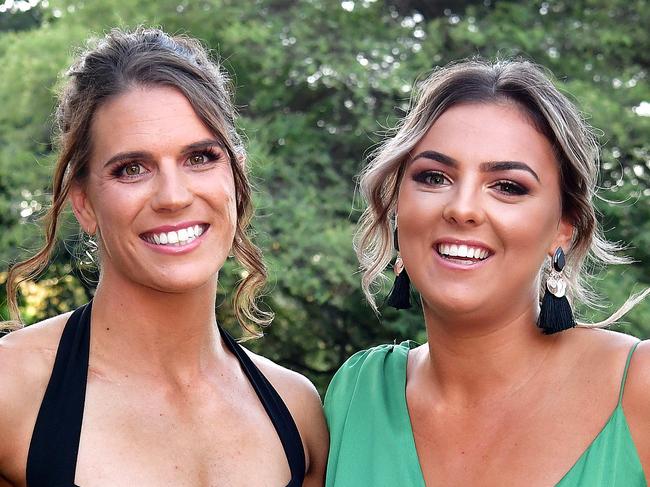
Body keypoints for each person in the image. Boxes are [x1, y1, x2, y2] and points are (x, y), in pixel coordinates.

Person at [0, 27, 327, 487]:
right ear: (84, 203)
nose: (173, 196)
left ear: (235, 177)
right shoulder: (10, 390)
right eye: (131, 169)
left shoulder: (296, 411)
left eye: (200, 157)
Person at [324, 58, 650, 486]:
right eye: (434, 177)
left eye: (508, 186)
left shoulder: (639, 387)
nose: (462, 208)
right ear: (398, 208)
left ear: (562, 229)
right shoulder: (355, 395)